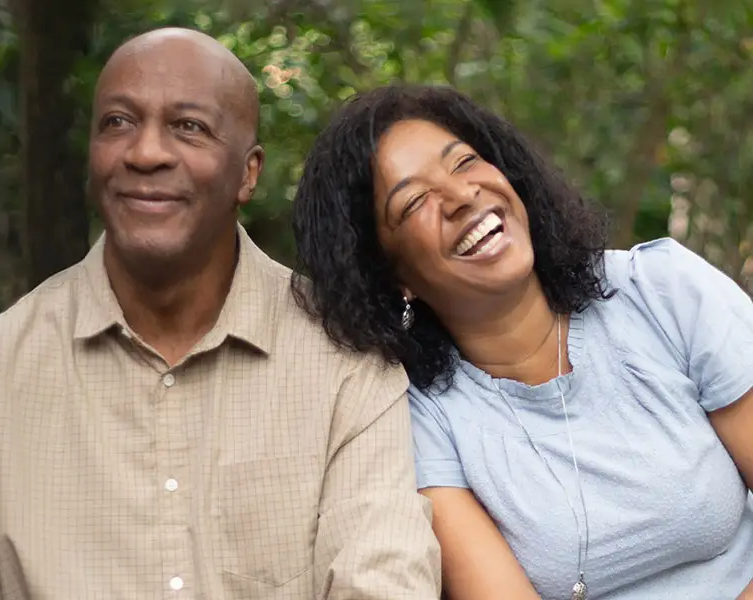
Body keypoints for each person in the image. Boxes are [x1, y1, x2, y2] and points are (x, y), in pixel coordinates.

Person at [0, 28, 441, 600]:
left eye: (188, 127)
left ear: (247, 173)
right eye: (118, 123)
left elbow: (383, 583)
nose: (145, 153)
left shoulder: (343, 360)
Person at [288, 83, 753, 600]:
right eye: (415, 200)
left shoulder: (661, 290)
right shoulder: (421, 419)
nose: (463, 196)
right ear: (391, 274)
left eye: (464, 162)